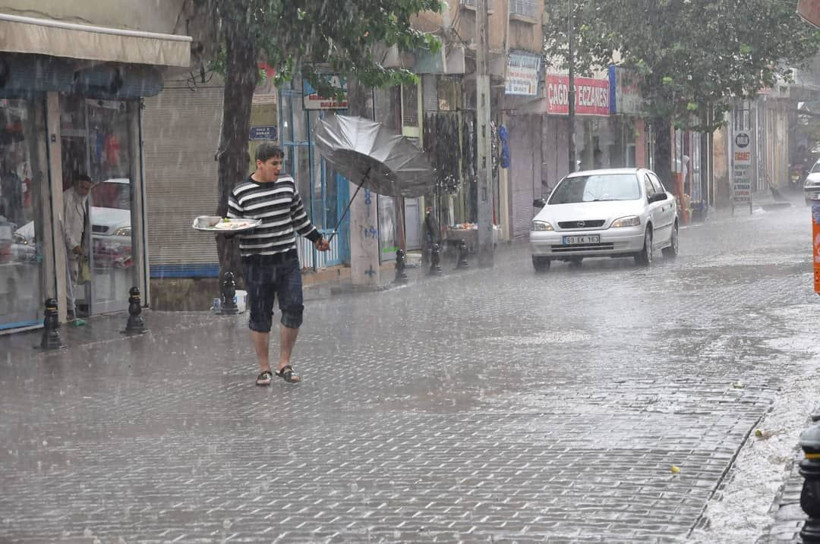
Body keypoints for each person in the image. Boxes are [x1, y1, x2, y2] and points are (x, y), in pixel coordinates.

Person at [228, 143, 330, 386]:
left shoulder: (287, 185)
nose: (278, 168)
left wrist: (316, 238)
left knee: (294, 307)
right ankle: (264, 368)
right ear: (259, 164)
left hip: (286, 259)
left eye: (280, 163)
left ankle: (284, 362)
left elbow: (299, 217)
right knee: (260, 314)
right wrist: (230, 231)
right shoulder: (241, 192)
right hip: (256, 262)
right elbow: (231, 226)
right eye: (274, 163)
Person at [63, 174, 93, 321]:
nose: (84, 191)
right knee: (71, 275)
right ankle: (69, 309)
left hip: (78, 245)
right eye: (82, 187)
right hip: (70, 246)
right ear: (76, 184)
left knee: (74, 277)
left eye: (87, 188)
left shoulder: (83, 199)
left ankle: (72, 306)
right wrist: (73, 245)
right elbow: (66, 226)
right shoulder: (68, 199)